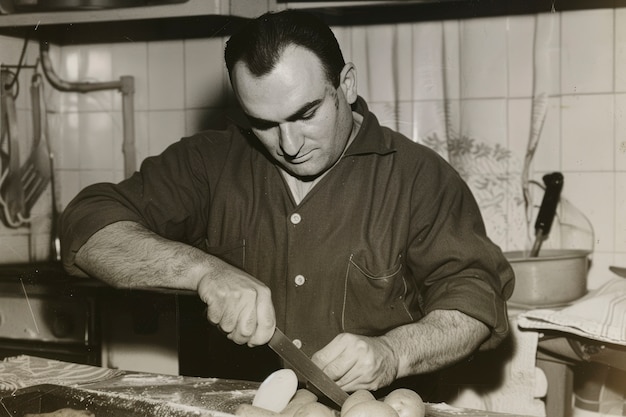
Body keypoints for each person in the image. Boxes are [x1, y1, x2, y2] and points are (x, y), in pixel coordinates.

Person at [59, 9, 514, 396]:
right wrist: (203, 272)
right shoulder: (208, 163)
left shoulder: (419, 177)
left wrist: (394, 353)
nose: (290, 144)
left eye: (306, 114)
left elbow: (475, 303)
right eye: (263, 123)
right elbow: (85, 228)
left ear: (347, 85)